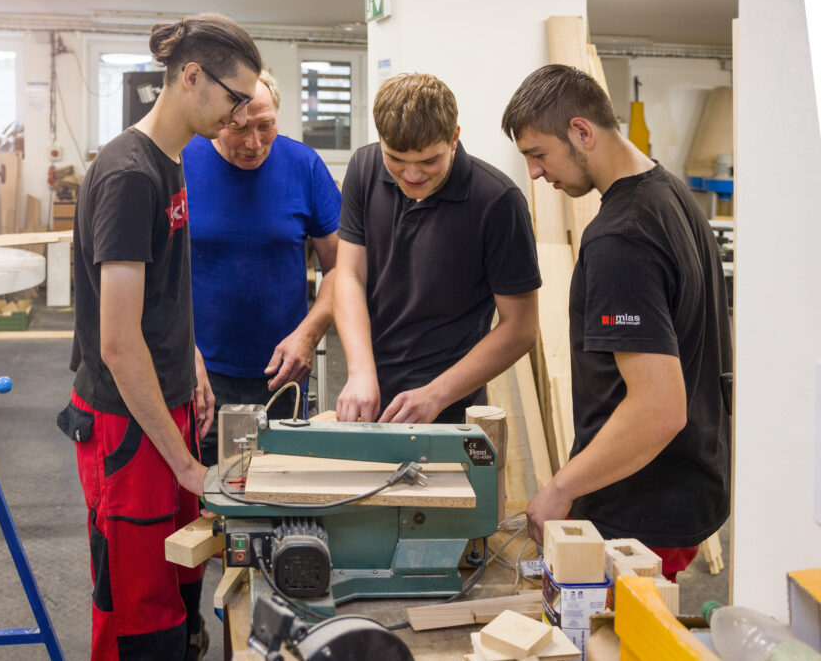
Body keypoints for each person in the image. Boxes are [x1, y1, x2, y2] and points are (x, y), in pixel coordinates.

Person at [62, 13, 260, 660]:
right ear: (192, 77)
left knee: (179, 585)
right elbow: (118, 344)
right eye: (235, 98)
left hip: (165, 404)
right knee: (138, 612)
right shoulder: (130, 175)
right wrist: (184, 463)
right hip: (126, 424)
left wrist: (189, 359)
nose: (240, 116)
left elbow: (159, 295)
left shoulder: (171, 159)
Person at [501, 64, 732, 581]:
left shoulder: (620, 238)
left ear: (581, 131)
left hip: (640, 512)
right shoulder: (673, 195)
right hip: (684, 490)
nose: (534, 173)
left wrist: (561, 487)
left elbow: (659, 408)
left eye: (539, 154)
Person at [334, 73, 541, 425]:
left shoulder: (498, 201)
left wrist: (436, 394)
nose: (412, 175)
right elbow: (350, 275)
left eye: (429, 161)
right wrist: (360, 371)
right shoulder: (364, 167)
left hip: (450, 406)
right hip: (366, 393)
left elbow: (520, 328)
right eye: (396, 159)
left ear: (454, 137)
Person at [183, 71, 341, 466]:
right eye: (239, 128)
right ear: (217, 119)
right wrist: (182, 350)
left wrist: (308, 335)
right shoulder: (180, 163)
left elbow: (342, 270)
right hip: (199, 373)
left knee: (277, 487)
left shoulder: (304, 165)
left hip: (282, 374)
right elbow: (151, 277)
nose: (254, 143)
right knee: (204, 490)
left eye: (266, 126)